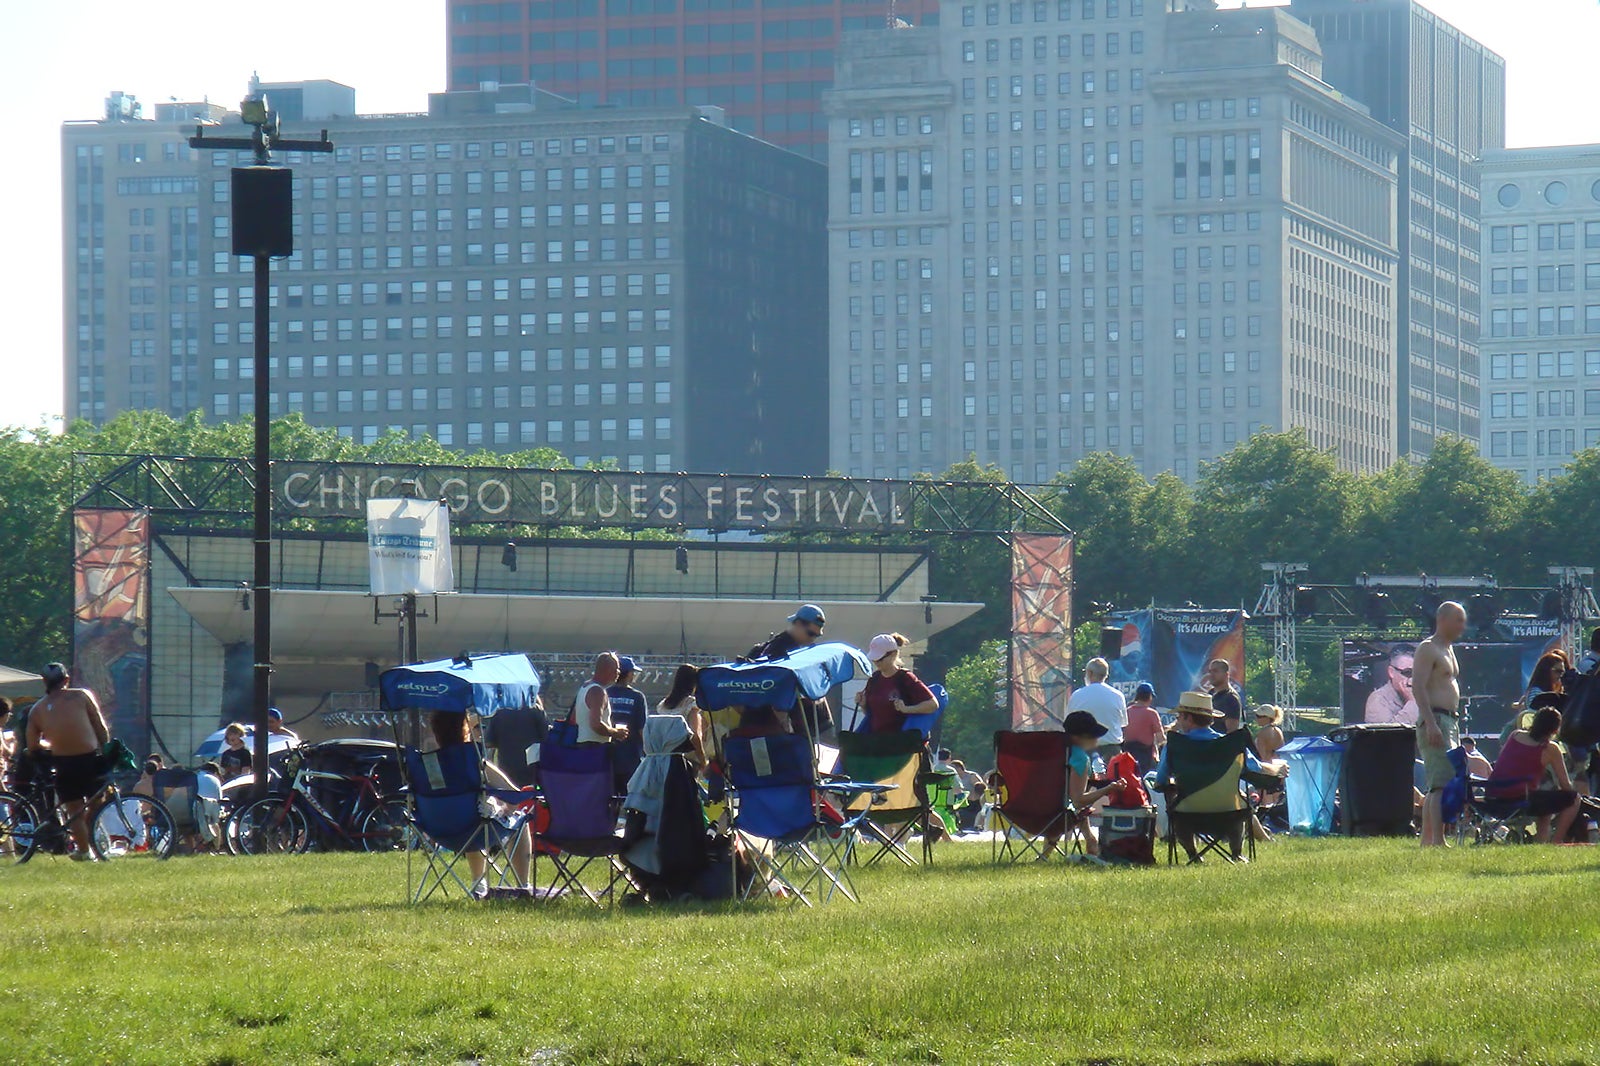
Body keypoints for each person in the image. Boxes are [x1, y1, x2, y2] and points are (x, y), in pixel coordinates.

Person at [1153, 692, 1286, 861]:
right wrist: (1277, 769)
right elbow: (1255, 769)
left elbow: (1160, 780)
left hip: (1188, 813)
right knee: (1239, 799)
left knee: (1175, 807)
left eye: (1179, 716)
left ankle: (1193, 855)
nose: (1178, 720)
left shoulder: (1174, 745)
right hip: (1229, 812)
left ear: (1188, 718)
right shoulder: (1231, 743)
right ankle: (1236, 853)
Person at [430, 710, 532, 891]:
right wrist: (505, 809)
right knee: (518, 820)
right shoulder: (475, 762)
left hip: (438, 830)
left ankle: (479, 883)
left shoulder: (429, 764)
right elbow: (512, 794)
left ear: (435, 732)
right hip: (473, 830)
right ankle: (523, 886)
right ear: (465, 730)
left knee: (467, 813)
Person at [25, 663, 111, 860]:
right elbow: (99, 726)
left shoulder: (37, 709)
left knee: (74, 809)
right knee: (98, 800)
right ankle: (86, 843)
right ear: (66, 680)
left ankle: (84, 851)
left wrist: (49, 747)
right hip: (89, 759)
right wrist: (105, 748)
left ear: (44, 682)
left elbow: (32, 745)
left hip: (63, 763)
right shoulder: (81, 696)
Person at [1412, 601, 1467, 848]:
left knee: (1444, 779)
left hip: (1450, 720)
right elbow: (1418, 687)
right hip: (1434, 719)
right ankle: (1437, 840)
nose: (1462, 626)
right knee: (1439, 784)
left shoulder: (1449, 648)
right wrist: (1431, 723)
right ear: (1442, 619)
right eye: (1458, 620)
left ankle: (1427, 840)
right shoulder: (1428, 648)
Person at [1489, 705, 1580, 844]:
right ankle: (1555, 842)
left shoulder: (1515, 735)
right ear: (1555, 729)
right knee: (1574, 799)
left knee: (1547, 804)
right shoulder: (1550, 748)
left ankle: (1541, 843)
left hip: (1495, 796)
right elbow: (1565, 785)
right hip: (1520, 798)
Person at [745, 604, 834, 738]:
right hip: (776, 729)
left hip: (780, 726)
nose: (812, 639)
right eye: (810, 633)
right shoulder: (781, 649)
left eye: (816, 635)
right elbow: (776, 688)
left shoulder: (793, 648)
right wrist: (785, 725)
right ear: (797, 624)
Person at [1057, 710, 1127, 863]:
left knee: (1068, 807)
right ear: (1078, 738)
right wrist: (1109, 788)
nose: (1097, 739)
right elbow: (1078, 800)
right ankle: (1091, 841)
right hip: (1056, 816)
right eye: (1092, 735)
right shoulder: (1080, 758)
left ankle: (1089, 840)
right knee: (1076, 807)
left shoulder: (1054, 752)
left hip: (1028, 812)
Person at [856, 633, 937, 734]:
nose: (876, 662)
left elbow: (933, 705)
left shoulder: (905, 678)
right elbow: (872, 715)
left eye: (880, 658)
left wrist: (907, 709)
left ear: (893, 654)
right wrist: (863, 705)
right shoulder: (874, 679)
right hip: (876, 741)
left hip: (901, 743)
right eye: (874, 659)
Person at [1065, 657, 1126, 758]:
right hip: (1112, 751)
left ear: (1089, 673)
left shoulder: (1077, 695)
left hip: (1085, 750)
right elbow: (1123, 724)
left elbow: (1069, 725)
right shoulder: (1118, 696)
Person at [607, 656, 649, 790]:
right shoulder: (637, 697)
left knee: (608, 796)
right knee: (630, 795)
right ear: (629, 674)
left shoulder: (604, 693)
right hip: (631, 756)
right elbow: (642, 728)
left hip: (607, 755)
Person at [657, 664, 709, 768]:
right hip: (686, 761)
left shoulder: (663, 705)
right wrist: (703, 761)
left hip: (663, 759)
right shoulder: (691, 704)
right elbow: (695, 736)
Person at [575, 652, 631, 746]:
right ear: (608, 670)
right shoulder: (597, 691)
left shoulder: (585, 687)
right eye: (616, 669)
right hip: (594, 747)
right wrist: (616, 732)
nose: (619, 672)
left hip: (583, 745)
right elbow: (596, 725)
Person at [1365, 645, 1419, 726]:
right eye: (1407, 672)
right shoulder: (1378, 699)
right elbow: (1389, 735)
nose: (1413, 679)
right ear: (1391, 672)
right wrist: (1413, 703)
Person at [1121, 682, 1164, 775]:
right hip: (1145, 757)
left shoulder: (1127, 712)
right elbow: (1161, 739)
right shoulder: (1152, 713)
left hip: (1127, 755)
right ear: (1149, 697)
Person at [1204, 658, 1245, 732]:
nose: (1211, 674)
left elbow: (1232, 732)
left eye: (1215, 671)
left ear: (1226, 674)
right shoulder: (1210, 693)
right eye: (1210, 671)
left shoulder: (1230, 698)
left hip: (1220, 742)